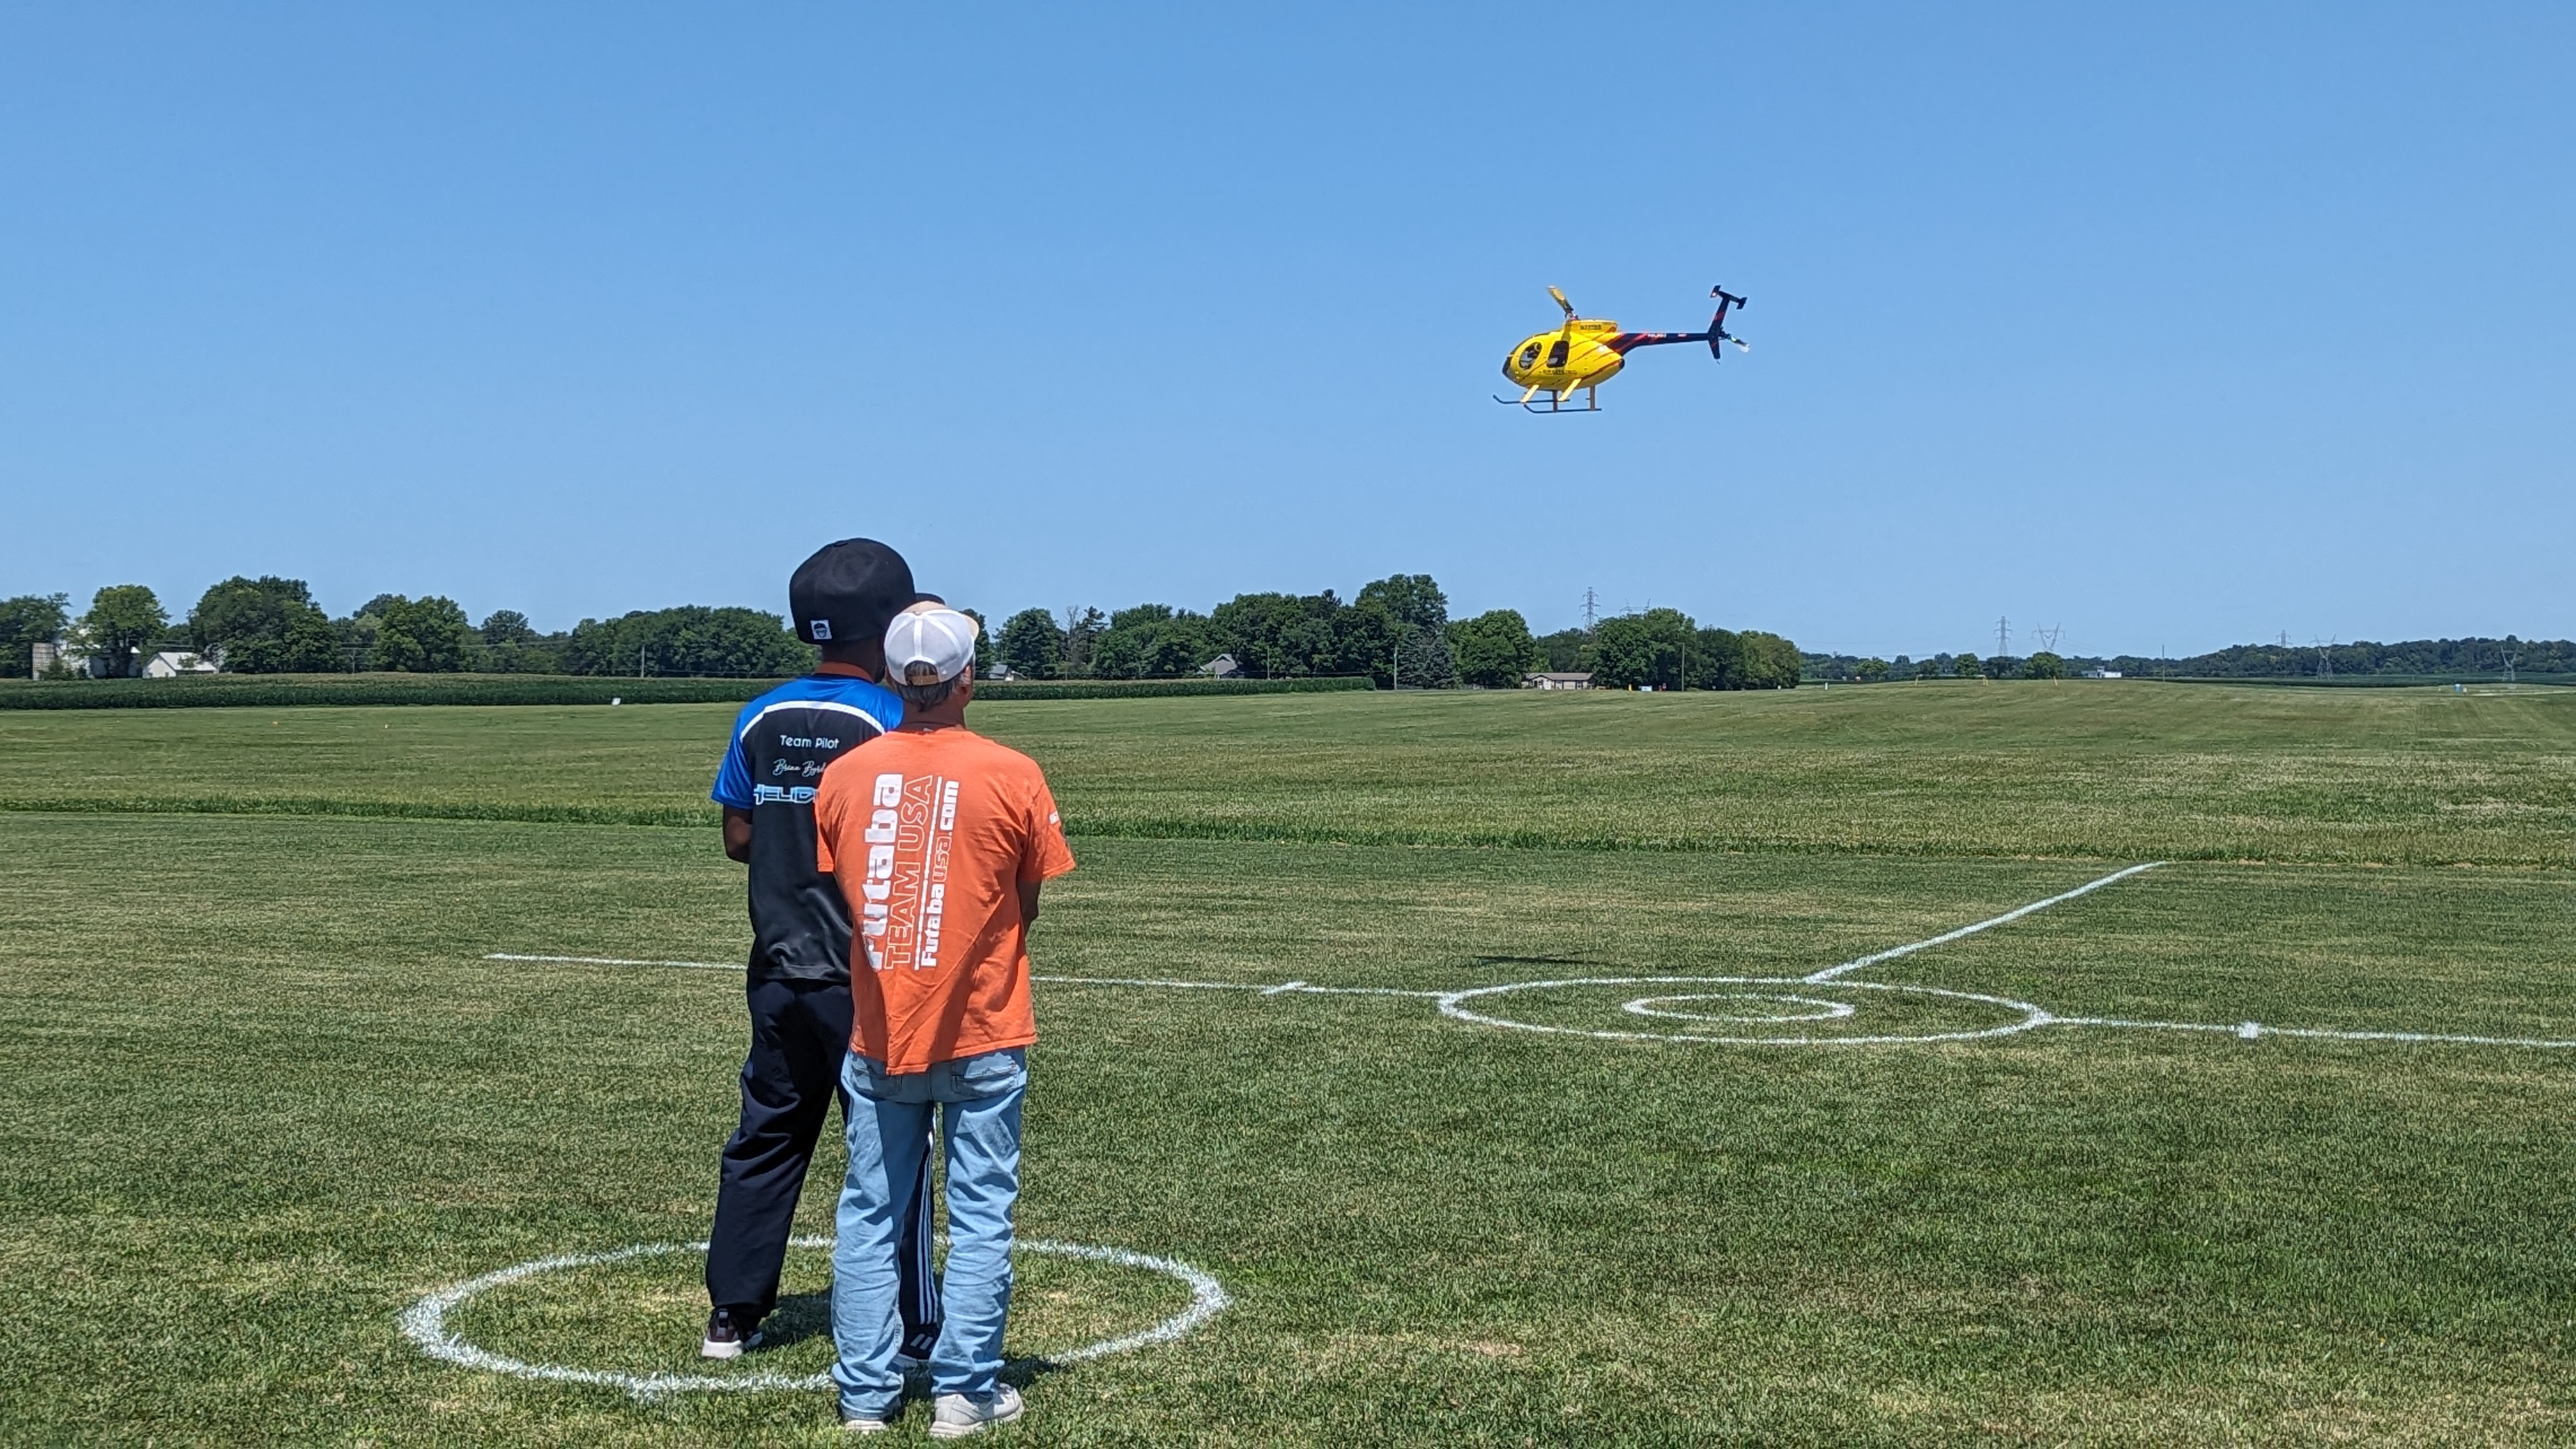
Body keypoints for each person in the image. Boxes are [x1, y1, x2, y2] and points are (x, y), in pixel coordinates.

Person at [815, 604, 1075, 1436]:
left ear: (893, 679)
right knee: (981, 1211)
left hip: (880, 1027)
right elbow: (1024, 903)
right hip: (984, 1025)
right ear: (967, 678)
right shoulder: (1014, 773)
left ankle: (866, 1396)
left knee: (869, 1213)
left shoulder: (845, 777)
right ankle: (964, 1392)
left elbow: (848, 888)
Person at [700, 539, 944, 1362]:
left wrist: (789, 822)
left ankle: (731, 1314)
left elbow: (739, 835)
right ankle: (913, 1321)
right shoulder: (887, 719)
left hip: (775, 963)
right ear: (895, 624)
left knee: (767, 1134)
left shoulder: (759, 714)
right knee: (892, 1143)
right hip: (863, 975)